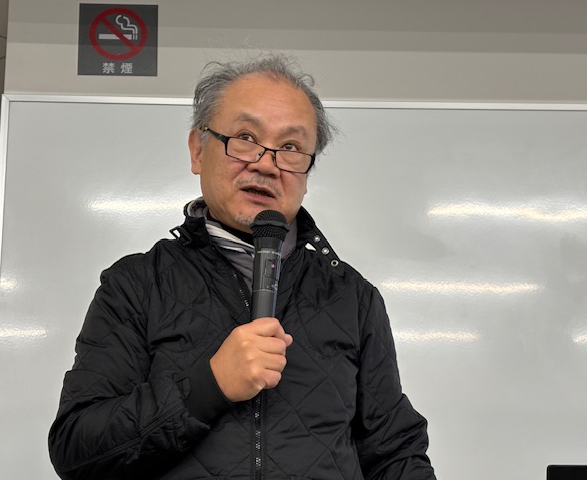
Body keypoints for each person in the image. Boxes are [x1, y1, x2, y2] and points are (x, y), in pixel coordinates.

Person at [48, 52, 436, 480]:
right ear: (198, 150)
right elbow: (77, 451)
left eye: (291, 147)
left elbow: (394, 453)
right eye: (246, 137)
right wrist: (208, 386)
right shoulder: (137, 285)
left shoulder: (351, 297)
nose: (267, 163)